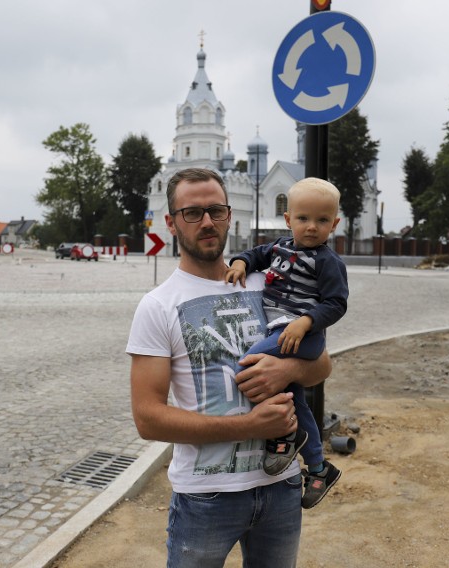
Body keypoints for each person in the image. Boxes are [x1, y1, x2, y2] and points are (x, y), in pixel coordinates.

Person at [127, 167, 332, 568]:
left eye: (216, 211)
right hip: (206, 498)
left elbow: (322, 364)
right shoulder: (158, 306)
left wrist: (287, 371)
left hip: (282, 488)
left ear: (229, 214)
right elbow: (148, 419)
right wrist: (251, 427)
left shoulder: (268, 283)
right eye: (192, 213)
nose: (206, 221)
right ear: (170, 223)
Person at [224, 177, 348, 510]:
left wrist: (305, 322)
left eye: (322, 220)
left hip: (302, 338)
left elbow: (336, 303)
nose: (312, 227)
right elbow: (253, 254)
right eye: (304, 218)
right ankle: (320, 467)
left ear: (334, 224)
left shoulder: (328, 261)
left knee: (250, 366)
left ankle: (284, 437)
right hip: (280, 334)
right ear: (288, 219)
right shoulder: (279, 248)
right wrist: (239, 263)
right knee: (295, 398)